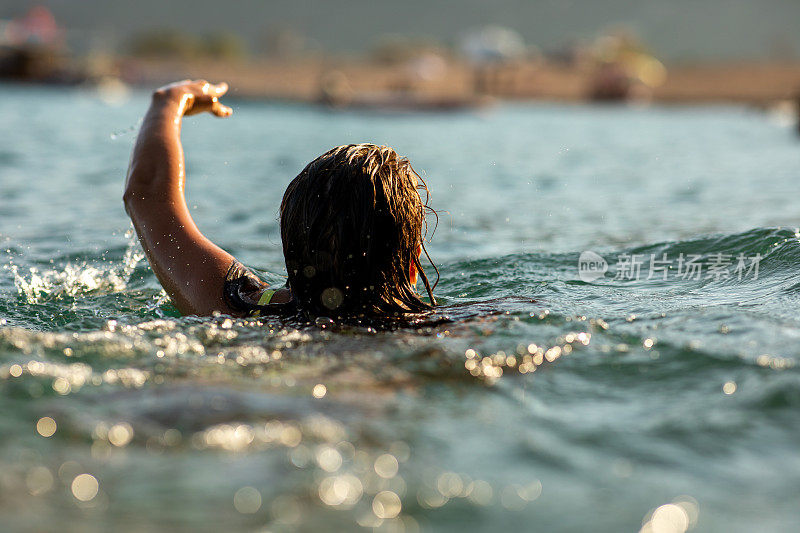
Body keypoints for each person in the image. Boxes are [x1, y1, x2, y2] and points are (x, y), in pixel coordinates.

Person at [123, 79, 437, 323]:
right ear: (412, 265)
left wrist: (170, 101)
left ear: (291, 245)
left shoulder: (236, 306)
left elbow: (147, 194)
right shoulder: (448, 328)